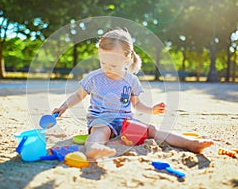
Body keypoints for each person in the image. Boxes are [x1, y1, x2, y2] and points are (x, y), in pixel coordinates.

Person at [52, 27, 214, 160]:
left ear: (127, 59)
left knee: (151, 129)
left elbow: (137, 104)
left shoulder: (131, 80)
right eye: (103, 62)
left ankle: (191, 143)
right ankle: (93, 148)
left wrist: (151, 110)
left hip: (126, 122)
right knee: (101, 131)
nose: (107, 68)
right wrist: (64, 106)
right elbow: (78, 95)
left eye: (113, 64)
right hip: (100, 119)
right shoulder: (94, 77)